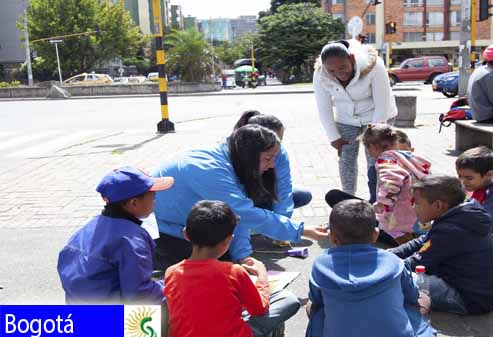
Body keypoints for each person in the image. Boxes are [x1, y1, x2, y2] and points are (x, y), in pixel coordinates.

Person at [152, 125, 327, 272]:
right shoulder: (210, 169)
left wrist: (243, 256)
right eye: (268, 159)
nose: (272, 165)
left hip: (185, 222)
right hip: (163, 229)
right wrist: (300, 230)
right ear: (249, 155)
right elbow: (244, 213)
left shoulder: (232, 160)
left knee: (227, 257)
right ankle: (155, 257)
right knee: (216, 262)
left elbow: (238, 214)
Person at [304, 199, 436, 337]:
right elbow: (412, 296)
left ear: (333, 238)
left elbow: (317, 301)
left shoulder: (320, 264)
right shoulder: (394, 261)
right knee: (424, 298)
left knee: (310, 306)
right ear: (375, 234)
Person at [164, 200, 300, 337]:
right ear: (229, 240)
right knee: (288, 299)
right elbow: (259, 309)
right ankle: (266, 336)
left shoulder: (171, 272)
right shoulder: (233, 271)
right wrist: (262, 276)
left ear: (186, 233)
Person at [389, 175, 493, 315]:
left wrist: (381, 267)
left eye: (418, 203)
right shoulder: (458, 215)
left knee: (398, 279)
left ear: (438, 205)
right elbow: (422, 241)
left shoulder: (451, 231)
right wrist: (390, 254)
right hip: (483, 293)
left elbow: (416, 262)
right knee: (397, 270)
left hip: (470, 299)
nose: (414, 207)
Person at [57, 166, 174, 304]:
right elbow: (139, 295)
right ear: (134, 203)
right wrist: (172, 287)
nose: (155, 201)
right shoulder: (132, 239)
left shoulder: (87, 229)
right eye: (153, 196)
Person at [313, 39, 397, 195]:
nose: (339, 73)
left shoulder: (374, 65)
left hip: (377, 115)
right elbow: (323, 108)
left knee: (376, 159)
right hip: (347, 119)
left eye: (343, 67)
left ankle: (379, 200)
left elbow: (382, 105)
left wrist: (374, 135)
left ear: (351, 59)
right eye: (332, 70)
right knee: (346, 159)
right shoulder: (320, 74)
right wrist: (334, 137)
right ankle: (348, 199)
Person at [233, 110, 312, 215]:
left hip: (259, 194)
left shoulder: (279, 153)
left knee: (302, 195)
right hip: (238, 200)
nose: (278, 145)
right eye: (274, 139)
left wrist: (283, 222)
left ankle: (264, 216)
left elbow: (283, 188)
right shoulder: (233, 154)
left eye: (280, 140)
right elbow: (234, 201)